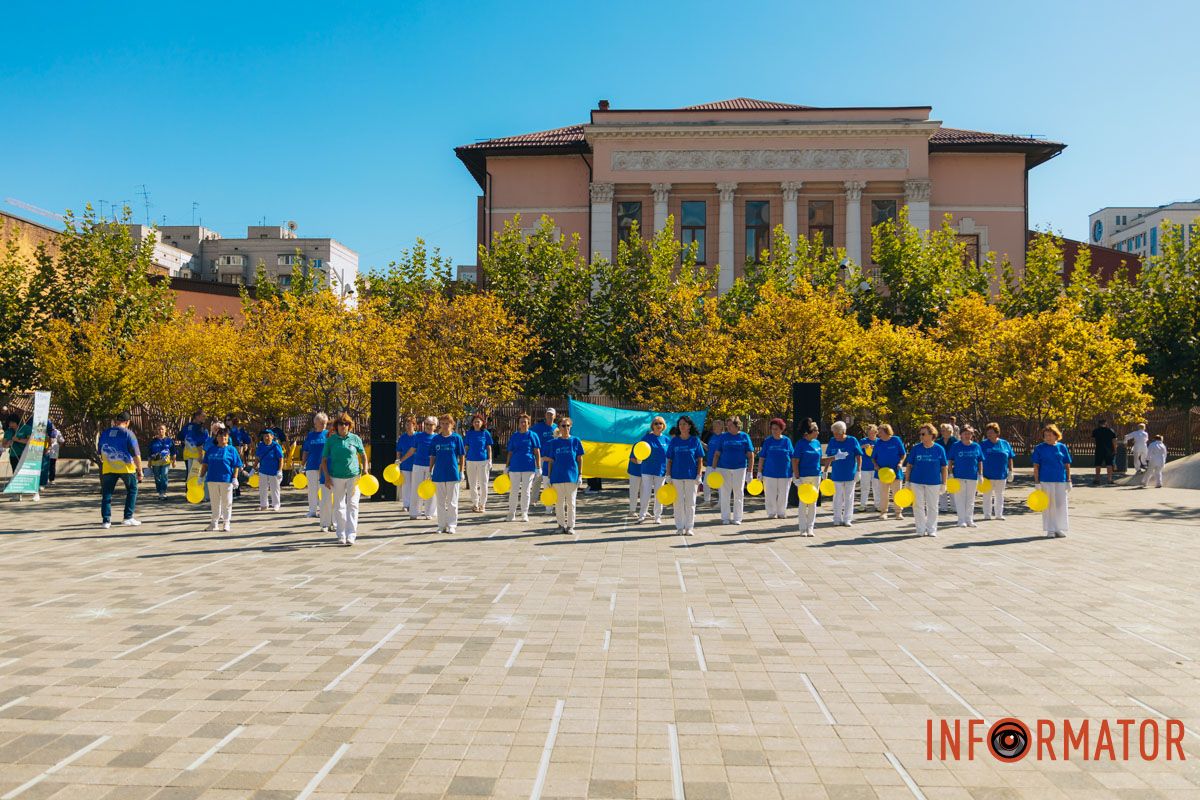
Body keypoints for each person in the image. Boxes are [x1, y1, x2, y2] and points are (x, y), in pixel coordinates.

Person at [321, 413, 367, 545]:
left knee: (353, 504)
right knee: (339, 506)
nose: (343, 426)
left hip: (354, 476)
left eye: (346, 424)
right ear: (336, 426)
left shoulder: (355, 438)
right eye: (341, 424)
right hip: (336, 477)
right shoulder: (331, 440)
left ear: (349, 426)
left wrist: (365, 470)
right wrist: (327, 477)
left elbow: (363, 456)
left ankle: (351, 534)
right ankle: (341, 534)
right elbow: (324, 460)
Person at [98, 411, 143, 528]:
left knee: (107, 494)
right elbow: (136, 454)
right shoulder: (128, 434)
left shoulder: (105, 433)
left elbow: (100, 450)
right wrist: (140, 470)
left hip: (108, 467)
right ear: (128, 422)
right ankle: (128, 517)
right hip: (126, 468)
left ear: (116, 421)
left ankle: (106, 521)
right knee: (132, 490)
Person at [904, 423, 948, 537]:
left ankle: (931, 529)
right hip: (916, 482)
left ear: (931, 435)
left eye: (923, 434)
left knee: (932, 506)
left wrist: (944, 483)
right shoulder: (916, 448)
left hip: (934, 482)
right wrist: (907, 482)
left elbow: (944, 467)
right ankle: (920, 529)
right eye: (920, 434)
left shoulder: (939, 449)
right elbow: (909, 466)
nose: (921, 436)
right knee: (917, 506)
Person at [544, 416, 585, 535]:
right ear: (559, 427)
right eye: (563, 425)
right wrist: (549, 477)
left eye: (568, 425)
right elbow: (551, 461)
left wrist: (580, 475)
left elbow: (580, 459)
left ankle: (571, 526)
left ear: (570, 427)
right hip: (557, 477)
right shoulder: (554, 443)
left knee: (571, 503)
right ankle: (561, 525)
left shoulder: (576, 440)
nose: (566, 428)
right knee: (559, 503)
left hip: (572, 477)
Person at [665, 415, 705, 536]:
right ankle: (679, 527)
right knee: (678, 503)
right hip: (676, 476)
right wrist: (668, 475)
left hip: (691, 476)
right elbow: (669, 460)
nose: (682, 426)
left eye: (684, 424)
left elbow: (700, 459)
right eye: (680, 424)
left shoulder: (695, 440)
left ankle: (689, 527)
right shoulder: (674, 441)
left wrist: (699, 475)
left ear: (689, 426)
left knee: (690, 503)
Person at [711, 416, 755, 525]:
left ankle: (737, 518)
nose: (728, 427)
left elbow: (750, 455)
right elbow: (717, 454)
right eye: (727, 425)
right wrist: (713, 469)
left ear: (737, 425)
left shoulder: (744, 436)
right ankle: (725, 517)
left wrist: (750, 472)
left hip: (740, 468)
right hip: (723, 468)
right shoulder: (723, 437)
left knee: (738, 492)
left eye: (730, 425)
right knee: (725, 493)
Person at [1031, 424, 1072, 539]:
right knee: (1049, 505)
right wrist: (1037, 482)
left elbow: (1067, 464)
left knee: (1060, 505)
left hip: (1060, 480)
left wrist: (1068, 480)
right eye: (1045, 435)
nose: (1047, 437)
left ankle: (1058, 528)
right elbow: (1036, 466)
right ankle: (1050, 529)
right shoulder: (1039, 448)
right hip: (1046, 480)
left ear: (1056, 435)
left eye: (1050, 435)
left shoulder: (1062, 447)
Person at [429, 414, 466, 534]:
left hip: (452, 473)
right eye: (443, 423)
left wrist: (461, 471)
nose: (445, 426)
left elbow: (462, 455)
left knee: (452, 502)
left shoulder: (456, 438)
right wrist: (430, 470)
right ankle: (441, 525)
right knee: (440, 502)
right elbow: (433, 456)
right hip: (439, 474)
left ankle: (451, 525)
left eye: (447, 423)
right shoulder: (436, 439)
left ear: (452, 424)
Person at [200, 428, 242, 532]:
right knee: (215, 502)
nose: (222, 438)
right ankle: (214, 523)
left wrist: (235, 478)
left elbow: (236, 465)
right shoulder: (211, 449)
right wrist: (201, 477)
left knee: (226, 502)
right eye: (220, 436)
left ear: (228, 438)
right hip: (212, 478)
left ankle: (226, 523)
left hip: (226, 479)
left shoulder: (231, 450)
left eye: (225, 436)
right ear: (216, 437)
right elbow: (205, 464)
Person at [822, 421, 863, 527]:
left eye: (837, 433)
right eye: (834, 433)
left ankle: (847, 519)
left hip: (850, 473)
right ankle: (837, 518)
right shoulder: (832, 441)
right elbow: (828, 458)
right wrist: (825, 471)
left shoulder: (852, 440)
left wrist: (858, 471)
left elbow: (858, 456)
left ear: (843, 432)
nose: (835, 436)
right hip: (837, 474)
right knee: (837, 497)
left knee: (849, 497)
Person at [399, 416, 438, 521]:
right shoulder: (418, 436)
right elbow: (412, 450)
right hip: (418, 465)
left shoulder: (437, 438)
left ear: (435, 426)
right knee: (416, 489)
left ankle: (430, 512)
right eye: (427, 424)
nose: (429, 426)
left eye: (431, 425)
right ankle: (414, 512)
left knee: (430, 490)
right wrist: (401, 460)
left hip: (432, 466)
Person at [504, 413, 541, 522]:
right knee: (514, 491)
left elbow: (537, 452)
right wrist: (507, 466)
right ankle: (511, 513)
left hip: (528, 467)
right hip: (515, 467)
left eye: (525, 422)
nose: (523, 424)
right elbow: (510, 452)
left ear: (529, 423)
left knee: (526, 491)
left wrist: (538, 467)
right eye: (521, 422)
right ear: (518, 424)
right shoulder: (514, 436)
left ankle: (524, 513)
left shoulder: (533, 435)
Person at [634, 417, 670, 524]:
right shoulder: (646, 438)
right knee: (646, 493)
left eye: (660, 423)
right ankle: (642, 515)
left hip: (661, 471)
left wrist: (669, 471)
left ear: (663, 426)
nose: (658, 425)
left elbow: (670, 456)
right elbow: (640, 450)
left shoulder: (666, 439)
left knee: (659, 494)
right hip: (647, 470)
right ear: (652, 426)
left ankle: (657, 516)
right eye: (656, 423)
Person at [947, 425, 984, 528]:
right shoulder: (956, 445)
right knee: (960, 499)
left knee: (970, 499)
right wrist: (950, 474)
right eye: (965, 433)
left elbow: (980, 461)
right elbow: (950, 460)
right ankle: (961, 520)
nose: (967, 435)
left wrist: (980, 474)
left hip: (972, 476)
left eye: (970, 433)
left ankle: (969, 519)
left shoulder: (976, 446)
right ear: (961, 435)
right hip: (959, 476)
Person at [757, 418, 793, 520]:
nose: (774, 431)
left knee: (783, 494)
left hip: (785, 473)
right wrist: (759, 471)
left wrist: (794, 471)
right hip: (769, 473)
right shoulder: (768, 441)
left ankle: (781, 512)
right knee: (770, 494)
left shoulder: (787, 441)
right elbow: (762, 457)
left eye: (776, 429)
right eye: (772, 429)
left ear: (781, 429)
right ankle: (771, 512)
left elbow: (792, 457)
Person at [979, 422, 1015, 520]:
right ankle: (987, 514)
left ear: (997, 433)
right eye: (988, 432)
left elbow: (1010, 458)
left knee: (1000, 495)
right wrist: (980, 474)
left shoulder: (1005, 443)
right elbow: (979, 459)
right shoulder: (983, 444)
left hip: (1001, 474)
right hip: (987, 475)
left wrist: (1011, 471)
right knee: (987, 495)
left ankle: (999, 514)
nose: (989, 434)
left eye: (991, 432)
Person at [792, 420, 822, 536]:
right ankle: (802, 528)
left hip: (816, 476)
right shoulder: (800, 443)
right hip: (803, 476)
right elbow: (795, 460)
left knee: (813, 502)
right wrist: (796, 476)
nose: (818, 432)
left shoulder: (817, 443)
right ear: (810, 431)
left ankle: (810, 528)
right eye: (816, 430)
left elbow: (820, 460)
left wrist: (834, 458)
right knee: (803, 502)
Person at [303, 413, 332, 527]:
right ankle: (312, 510)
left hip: (325, 466)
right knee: (312, 489)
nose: (324, 424)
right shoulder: (310, 435)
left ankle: (322, 510)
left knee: (323, 489)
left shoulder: (328, 434)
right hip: (311, 465)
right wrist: (303, 463)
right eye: (321, 422)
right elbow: (306, 450)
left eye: (325, 422)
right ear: (315, 423)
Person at [872, 424, 907, 520]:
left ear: (887, 432)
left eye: (880, 432)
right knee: (883, 494)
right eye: (878, 432)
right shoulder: (878, 442)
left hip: (896, 472)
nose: (879, 434)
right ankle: (883, 512)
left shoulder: (896, 440)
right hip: (882, 473)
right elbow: (873, 457)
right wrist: (875, 465)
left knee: (897, 493)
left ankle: (898, 512)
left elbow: (903, 454)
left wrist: (900, 463)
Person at [464, 414, 494, 513]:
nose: (476, 423)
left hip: (483, 461)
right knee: (472, 483)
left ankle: (482, 504)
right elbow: (466, 447)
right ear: (472, 423)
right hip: (471, 461)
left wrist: (490, 460)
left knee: (483, 483)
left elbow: (489, 447)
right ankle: (475, 504)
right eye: (475, 422)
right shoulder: (469, 433)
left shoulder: (486, 433)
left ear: (482, 423)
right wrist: (464, 459)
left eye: (478, 421)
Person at [530, 408, 558, 515]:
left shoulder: (557, 428)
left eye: (551, 414)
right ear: (545, 415)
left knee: (551, 480)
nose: (550, 416)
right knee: (537, 478)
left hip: (553, 458)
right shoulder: (538, 427)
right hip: (541, 457)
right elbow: (530, 433)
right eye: (548, 414)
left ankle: (552, 500)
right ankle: (533, 499)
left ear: (554, 416)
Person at [255, 429, 284, 511]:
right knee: (262, 489)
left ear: (272, 437)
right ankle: (264, 505)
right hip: (263, 470)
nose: (266, 437)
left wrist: (280, 470)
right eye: (264, 436)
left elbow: (281, 459)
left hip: (274, 471)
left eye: (267, 436)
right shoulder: (261, 445)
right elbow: (258, 458)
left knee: (275, 488)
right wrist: (253, 468)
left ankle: (276, 504)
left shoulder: (276, 446)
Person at [393, 414, 417, 512]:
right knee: (406, 485)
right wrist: (398, 461)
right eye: (406, 424)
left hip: (416, 464)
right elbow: (398, 450)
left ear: (414, 425)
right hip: (405, 464)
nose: (408, 426)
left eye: (410, 424)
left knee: (414, 485)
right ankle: (406, 505)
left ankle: (414, 504)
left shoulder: (418, 436)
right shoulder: (402, 437)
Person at [935, 423, 959, 513]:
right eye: (942, 431)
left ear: (950, 431)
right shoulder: (938, 442)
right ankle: (943, 507)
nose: (942, 432)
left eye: (944, 430)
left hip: (952, 467)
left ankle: (954, 507)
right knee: (942, 487)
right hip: (941, 467)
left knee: (952, 488)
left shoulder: (955, 441)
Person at [700, 418, 725, 505]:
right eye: (713, 426)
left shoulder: (724, 437)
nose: (714, 427)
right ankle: (707, 501)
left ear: (721, 427)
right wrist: (702, 443)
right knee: (706, 483)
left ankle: (721, 502)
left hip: (720, 465)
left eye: (716, 426)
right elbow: (709, 448)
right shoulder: (712, 437)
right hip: (710, 464)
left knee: (720, 484)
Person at [148, 424, 176, 499]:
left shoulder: (169, 440)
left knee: (164, 475)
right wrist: (149, 462)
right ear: (157, 431)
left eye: (162, 429)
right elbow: (149, 452)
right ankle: (159, 490)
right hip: (155, 462)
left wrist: (174, 461)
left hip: (165, 462)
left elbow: (173, 452)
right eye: (159, 429)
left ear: (165, 430)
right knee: (157, 477)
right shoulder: (153, 441)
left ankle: (163, 491)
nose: (160, 431)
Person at [178, 411, 208, 482]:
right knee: (197, 476)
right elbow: (200, 443)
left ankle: (188, 488)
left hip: (188, 454)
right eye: (203, 416)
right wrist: (201, 455)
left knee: (189, 475)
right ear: (197, 417)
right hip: (197, 456)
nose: (205, 418)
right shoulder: (201, 429)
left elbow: (180, 437)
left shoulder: (186, 426)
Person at [857, 424, 880, 511]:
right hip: (865, 468)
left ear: (876, 433)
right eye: (869, 433)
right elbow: (856, 449)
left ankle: (878, 505)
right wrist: (862, 447)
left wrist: (876, 448)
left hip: (876, 467)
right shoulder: (863, 440)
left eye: (872, 433)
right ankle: (863, 505)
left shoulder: (879, 441)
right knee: (864, 487)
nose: (871, 435)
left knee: (876, 487)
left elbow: (882, 452)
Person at [1091, 418, 1118, 485]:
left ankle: (1097, 479)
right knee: (1109, 464)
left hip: (1099, 449)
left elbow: (1093, 440)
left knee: (1098, 464)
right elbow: (1114, 440)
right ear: (1106, 423)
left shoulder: (1095, 431)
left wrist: (1096, 445)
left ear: (1099, 424)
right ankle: (1109, 479)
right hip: (1109, 450)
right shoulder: (1110, 430)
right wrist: (1115, 449)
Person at [43, 421, 64, 486]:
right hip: (47, 451)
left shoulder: (56, 432)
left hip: (51, 452)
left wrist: (57, 448)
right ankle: (47, 480)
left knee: (50, 466)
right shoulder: (44, 431)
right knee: (47, 466)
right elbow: (62, 441)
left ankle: (50, 480)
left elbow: (62, 441)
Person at [626, 442, 643, 518]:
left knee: (645, 492)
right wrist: (639, 462)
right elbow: (632, 458)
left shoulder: (653, 446)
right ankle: (632, 511)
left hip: (646, 473)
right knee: (634, 491)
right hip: (634, 472)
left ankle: (644, 510)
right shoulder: (637, 445)